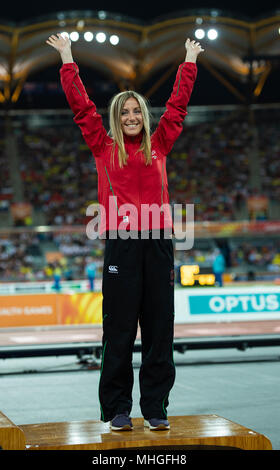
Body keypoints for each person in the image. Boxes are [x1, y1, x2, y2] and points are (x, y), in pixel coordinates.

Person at [46, 33, 204, 431]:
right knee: (118, 331)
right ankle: (117, 408)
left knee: (159, 329)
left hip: (158, 245)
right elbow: (82, 108)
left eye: (136, 111)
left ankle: (155, 408)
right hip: (121, 246)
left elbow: (178, 107)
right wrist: (67, 57)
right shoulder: (102, 146)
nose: (132, 116)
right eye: (124, 112)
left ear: (143, 116)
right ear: (116, 118)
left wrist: (189, 60)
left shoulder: (161, 143)